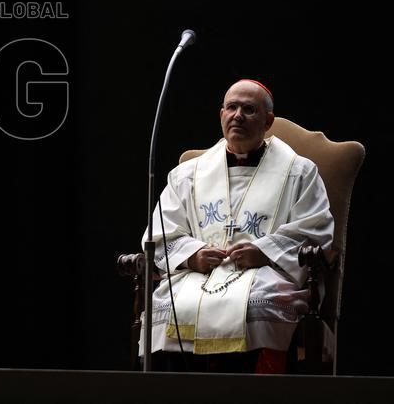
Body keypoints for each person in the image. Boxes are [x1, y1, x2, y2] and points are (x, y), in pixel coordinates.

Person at [142, 79, 334, 373]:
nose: (238, 116)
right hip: (198, 275)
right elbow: (161, 234)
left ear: (268, 121)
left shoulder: (299, 172)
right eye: (231, 107)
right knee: (168, 308)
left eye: (249, 109)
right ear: (221, 116)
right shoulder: (187, 175)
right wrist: (193, 255)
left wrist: (265, 252)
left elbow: (315, 232)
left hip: (266, 274)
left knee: (260, 306)